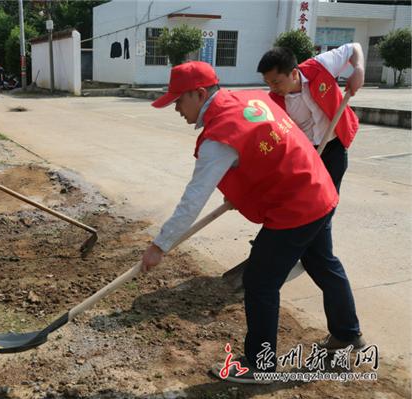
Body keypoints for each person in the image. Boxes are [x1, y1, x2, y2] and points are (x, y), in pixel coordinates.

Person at [140, 62, 364, 384]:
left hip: (296, 206)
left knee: (260, 282)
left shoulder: (218, 137)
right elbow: (268, 149)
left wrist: (159, 246)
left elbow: (192, 200)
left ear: (200, 93)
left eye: (178, 100)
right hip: (319, 189)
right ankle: (346, 334)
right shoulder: (249, 99)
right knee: (321, 261)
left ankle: (261, 365)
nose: (175, 108)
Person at [257, 43, 364, 193]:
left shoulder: (320, 66)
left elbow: (353, 48)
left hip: (335, 146)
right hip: (306, 153)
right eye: (268, 83)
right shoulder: (274, 103)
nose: (273, 88)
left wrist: (359, 69)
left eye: (276, 82)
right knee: (308, 201)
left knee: (329, 198)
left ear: (294, 74)